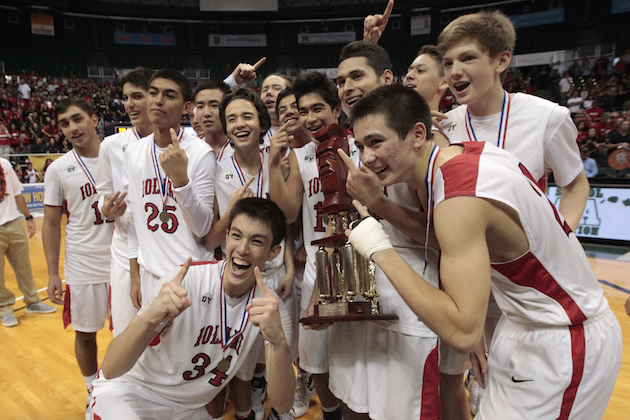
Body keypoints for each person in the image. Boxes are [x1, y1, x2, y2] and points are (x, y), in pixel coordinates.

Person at [344, 83, 622, 419]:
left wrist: (379, 248)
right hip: (528, 324)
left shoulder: (459, 199)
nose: (367, 157)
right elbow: (448, 235)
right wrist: (382, 206)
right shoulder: (466, 155)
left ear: (418, 134)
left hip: (564, 338)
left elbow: (462, 331)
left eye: (376, 142)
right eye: (360, 145)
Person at [436, 10, 590, 415]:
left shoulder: (547, 117)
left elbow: (575, 185)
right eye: (448, 62)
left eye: (467, 58)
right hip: (467, 278)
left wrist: (559, 236)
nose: (454, 71)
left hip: (523, 282)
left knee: (516, 388)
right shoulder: (444, 127)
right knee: (478, 384)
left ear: (501, 60)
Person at [90, 198, 295, 420]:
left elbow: (282, 404)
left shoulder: (270, 309)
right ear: (226, 237)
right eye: (236, 236)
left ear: (273, 252)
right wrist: (149, 318)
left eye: (256, 241)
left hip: (188, 410)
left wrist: (278, 342)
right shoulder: (185, 281)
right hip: (132, 393)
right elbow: (110, 369)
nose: (242, 249)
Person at [328, 37, 443, 420]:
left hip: (412, 293)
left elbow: (438, 235)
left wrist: (379, 204)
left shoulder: (424, 140)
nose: (346, 87)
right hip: (361, 288)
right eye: (341, 80)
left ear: (388, 77)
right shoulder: (349, 139)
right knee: (353, 401)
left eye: (356, 76)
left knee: (407, 408)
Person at [269, 70, 359, 420]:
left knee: (355, 360)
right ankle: (332, 413)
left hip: (357, 266)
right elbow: (288, 211)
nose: (309, 118)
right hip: (317, 271)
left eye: (317, 108)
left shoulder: (359, 146)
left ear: (336, 110)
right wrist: (273, 163)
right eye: (302, 111)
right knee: (314, 361)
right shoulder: (300, 154)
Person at [204, 87, 296, 420]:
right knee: (239, 360)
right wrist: (229, 211)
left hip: (274, 276)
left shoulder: (279, 159)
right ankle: (251, 403)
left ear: (260, 120)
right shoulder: (214, 167)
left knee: (274, 350)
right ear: (225, 128)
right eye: (231, 119)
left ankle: (273, 403)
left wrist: (289, 268)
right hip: (238, 276)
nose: (240, 124)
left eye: (246, 116)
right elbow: (211, 237)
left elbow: (287, 222)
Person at [119, 69, 215, 316]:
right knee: (151, 355)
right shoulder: (133, 152)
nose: (158, 100)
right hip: (150, 275)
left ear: (186, 107)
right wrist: (134, 275)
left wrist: (181, 180)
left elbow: (203, 227)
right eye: (153, 93)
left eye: (169, 95)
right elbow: (133, 220)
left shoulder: (200, 153)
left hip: (190, 276)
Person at [43, 97, 115, 416]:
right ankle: (92, 392)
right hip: (83, 262)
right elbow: (50, 223)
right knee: (85, 334)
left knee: (135, 331)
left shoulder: (120, 154)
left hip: (124, 260)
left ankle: (134, 388)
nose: (72, 128)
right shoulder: (58, 168)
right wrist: (52, 273)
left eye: (77, 119)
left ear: (94, 119)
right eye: (64, 124)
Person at [96, 67, 155, 337]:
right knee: (125, 331)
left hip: (163, 247)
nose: (129, 104)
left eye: (137, 96)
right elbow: (103, 194)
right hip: (123, 250)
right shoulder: (110, 144)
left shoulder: (175, 142)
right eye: (126, 97)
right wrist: (106, 208)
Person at [0, 156, 56, 327]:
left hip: (13, 223)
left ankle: (32, 302)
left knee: (24, 267)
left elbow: (17, 194)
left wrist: (28, 217)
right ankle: (4, 308)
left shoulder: (4, 164)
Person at [193, 80, 233, 160]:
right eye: (200, 107)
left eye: (214, 105)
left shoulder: (242, 149)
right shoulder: (190, 150)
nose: (206, 113)